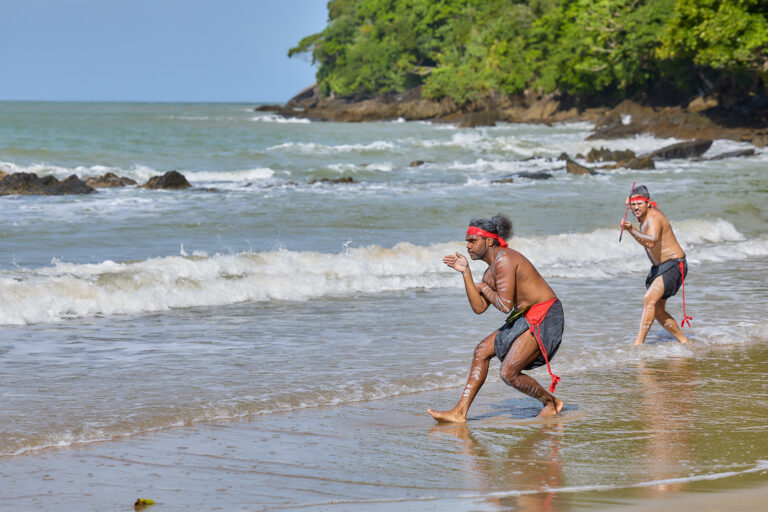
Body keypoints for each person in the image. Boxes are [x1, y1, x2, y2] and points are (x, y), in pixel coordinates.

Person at [428, 214, 564, 422]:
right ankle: (459, 412)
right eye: (467, 241)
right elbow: (479, 307)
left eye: (473, 241)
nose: (468, 246)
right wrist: (466, 273)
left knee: (508, 373)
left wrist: (482, 288)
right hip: (525, 315)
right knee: (481, 351)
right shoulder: (489, 273)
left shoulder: (504, 259)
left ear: (489, 241)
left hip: (545, 313)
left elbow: (504, 305)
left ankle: (551, 402)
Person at [621, 185, 691, 345]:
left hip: (674, 264)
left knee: (649, 300)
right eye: (633, 204)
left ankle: (637, 345)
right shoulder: (643, 213)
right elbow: (632, 203)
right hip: (661, 267)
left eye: (640, 203)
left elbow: (651, 241)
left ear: (648, 203)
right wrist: (629, 202)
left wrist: (631, 230)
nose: (636, 207)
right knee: (658, 311)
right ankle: (685, 342)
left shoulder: (653, 217)